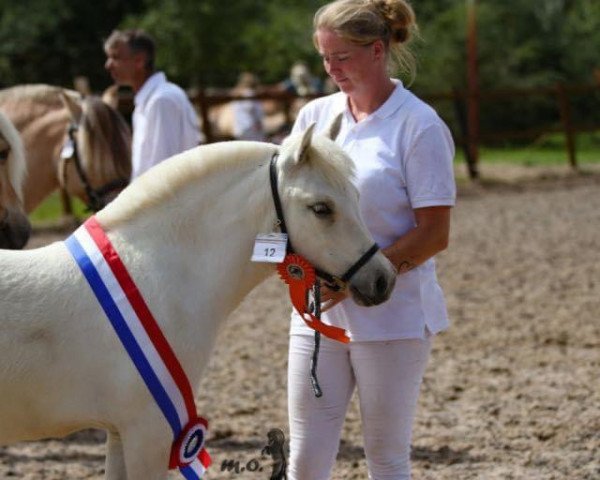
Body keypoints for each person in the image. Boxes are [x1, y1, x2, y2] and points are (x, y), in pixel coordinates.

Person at [286, 1, 456, 479]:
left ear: (377, 50)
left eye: (341, 56)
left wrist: (356, 281)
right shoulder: (314, 117)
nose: (330, 69)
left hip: (392, 317)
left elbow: (434, 232)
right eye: (324, 57)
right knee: (305, 458)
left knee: (385, 458)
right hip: (315, 313)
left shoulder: (418, 126)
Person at [103, 29, 201, 180]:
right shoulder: (151, 100)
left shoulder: (161, 101)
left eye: (115, 57)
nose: (108, 65)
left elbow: (161, 172)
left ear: (139, 61)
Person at [230, 72, 267, 141]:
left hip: (241, 128)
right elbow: (250, 108)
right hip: (251, 129)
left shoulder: (238, 93)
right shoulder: (249, 93)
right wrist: (257, 123)